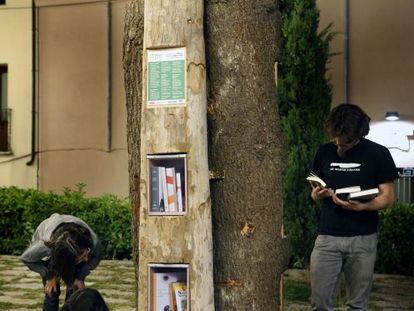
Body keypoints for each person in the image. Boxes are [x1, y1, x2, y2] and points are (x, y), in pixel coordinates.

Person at [309, 103, 398, 311]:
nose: (338, 144)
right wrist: (317, 194)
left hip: (363, 239)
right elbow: (314, 191)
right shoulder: (324, 152)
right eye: (336, 139)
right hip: (327, 239)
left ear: (359, 134)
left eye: (345, 142)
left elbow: (388, 198)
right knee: (319, 302)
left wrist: (362, 207)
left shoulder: (379, 154)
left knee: (357, 306)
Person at [21, 213, 103, 311]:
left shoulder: (93, 242)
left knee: (74, 290)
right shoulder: (45, 245)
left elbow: (94, 259)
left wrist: (80, 277)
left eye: (87, 253)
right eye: (82, 256)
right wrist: (49, 276)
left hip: (68, 252)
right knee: (52, 290)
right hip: (53, 255)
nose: (86, 259)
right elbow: (27, 259)